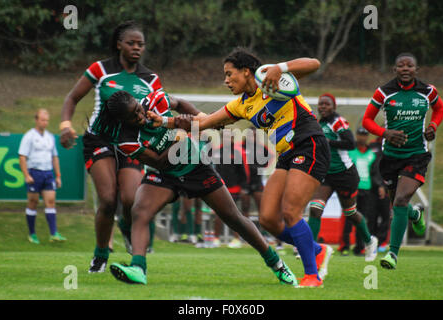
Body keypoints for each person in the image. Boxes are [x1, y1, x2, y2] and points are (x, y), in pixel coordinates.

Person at [149, 48, 333, 287]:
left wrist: (281, 67)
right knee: (268, 219)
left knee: (290, 212)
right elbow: (203, 122)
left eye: (229, 74)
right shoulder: (240, 105)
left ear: (246, 72)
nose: (226, 80)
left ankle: (312, 276)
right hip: (286, 154)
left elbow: (314, 63)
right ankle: (317, 250)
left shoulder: (270, 78)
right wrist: (164, 121)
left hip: (309, 144)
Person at [96, 90, 298, 286]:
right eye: (133, 117)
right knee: (140, 212)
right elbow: (159, 162)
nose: (140, 117)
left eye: (138, 110)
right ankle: (138, 269)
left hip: (196, 167)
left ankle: (277, 264)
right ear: (122, 121)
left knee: (233, 217)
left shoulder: (155, 100)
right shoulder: (125, 139)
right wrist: (185, 135)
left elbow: (180, 103)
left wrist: (202, 118)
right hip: (165, 173)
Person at [59, 21, 200, 273]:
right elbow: (72, 98)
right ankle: (101, 254)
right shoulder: (100, 69)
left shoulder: (150, 78)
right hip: (99, 140)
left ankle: (127, 228)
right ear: (119, 44)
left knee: (129, 199)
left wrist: (182, 128)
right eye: (131, 43)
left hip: (133, 142)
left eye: (140, 44)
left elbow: (161, 109)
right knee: (108, 199)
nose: (136, 48)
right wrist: (65, 124)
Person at [362, 52, 443, 269]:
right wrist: (385, 133)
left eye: (410, 65)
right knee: (398, 204)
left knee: (399, 201)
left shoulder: (428, 91)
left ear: (417, 70)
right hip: (390, 157)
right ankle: (415, 214)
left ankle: (392, 254)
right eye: (401, 65)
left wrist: (433, 127)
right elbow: (367, 120)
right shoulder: (384, 92)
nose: (405, 68)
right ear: (394, 70)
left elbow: (440, 109)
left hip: (416, 155)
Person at [308, 93, 378, 262]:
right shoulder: (319, 124)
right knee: (315, 209)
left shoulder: (338, 122)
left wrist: (327, 142)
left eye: (327, 104)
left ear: (334, 107)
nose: (323, 107)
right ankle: (309, 247)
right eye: (321, 104)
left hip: (345, 175)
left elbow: (350, 143)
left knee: (350, 213)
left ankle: (369, 241)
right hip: (327, 175)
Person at [18, 109, 67, 244]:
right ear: (36, 120)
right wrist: (26, 175)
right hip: (34, 173)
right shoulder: (29, 136)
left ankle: (53, 233)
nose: (45, 123)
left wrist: (58, 175)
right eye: (42, 120)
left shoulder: (50, 137)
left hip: (48, 173)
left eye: (47, 120)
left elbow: (55, 157)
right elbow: (22, 157)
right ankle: (32, 234)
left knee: (50, 202)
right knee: (33, 203)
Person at [339, 126, 382, 256]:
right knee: (348, 217)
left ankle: (359, 247)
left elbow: (374, 173)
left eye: (365, 135)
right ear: (356, 135)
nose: (362, 137)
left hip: (366, 189)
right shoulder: (350, 151)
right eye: (360, 134)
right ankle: (345, 246)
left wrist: (379, 185)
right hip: (353, 188)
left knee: (362, 218)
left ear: (367, 137)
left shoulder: (371, 154)